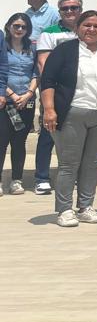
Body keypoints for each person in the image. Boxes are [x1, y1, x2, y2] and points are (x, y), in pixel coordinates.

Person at [38, 11, 97, 227]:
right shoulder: (65, 50)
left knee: (92, 163)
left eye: (96, 26)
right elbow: (48, 80)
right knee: (69, 164)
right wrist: (49, 109)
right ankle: (64, 210)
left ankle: (85, 207)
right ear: (77, 28)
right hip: (73, 114)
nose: (91, 29)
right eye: (87, 25)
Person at [31, 0, 88, 195]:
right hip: (57, 92)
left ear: (81, 9)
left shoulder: (87, 31)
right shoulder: (49, 33)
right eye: (65, 8)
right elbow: (43, 64)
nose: (70, 11)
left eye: (74, 7)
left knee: (76, 137)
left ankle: (73, 176)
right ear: (59, 11)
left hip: (83, 92)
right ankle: (42, 178)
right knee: (48, 134)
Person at [0, 13, 38, 194]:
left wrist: (29, 94)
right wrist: (13, 95)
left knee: (19, 142)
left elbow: (36, 73)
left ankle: (16, 180)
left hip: (26, 102)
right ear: (9, 26)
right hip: (6, 101)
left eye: (24, 27)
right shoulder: (3, 46)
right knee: (1, 142)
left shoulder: (32, 47)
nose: (20, 29)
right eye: (16, 26)